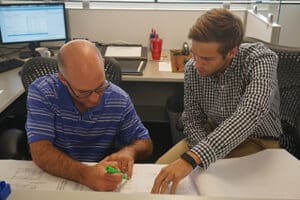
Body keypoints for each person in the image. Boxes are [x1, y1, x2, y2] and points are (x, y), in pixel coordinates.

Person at [151, 8, 282, 194]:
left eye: (206, 58)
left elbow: (252, 111)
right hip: (211, 134)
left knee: (225, 191)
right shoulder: (192, 68)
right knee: (156, 173)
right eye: (194, 54)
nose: (197, 64)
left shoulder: (260, 59)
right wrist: (205, 153)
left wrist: (196, 157)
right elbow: (192, 118)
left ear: (231, 52)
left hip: (257, 141)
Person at [25, 39, 153, 191]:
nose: (95, 99)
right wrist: (85, 175)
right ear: (63, 80)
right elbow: (40, 151)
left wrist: (129, 151)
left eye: (100, 87)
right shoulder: (43, 93)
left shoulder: (119, 98)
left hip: (101, 175)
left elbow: (145, 143)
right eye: (83, 92)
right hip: (57, 176)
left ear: (103, 66)